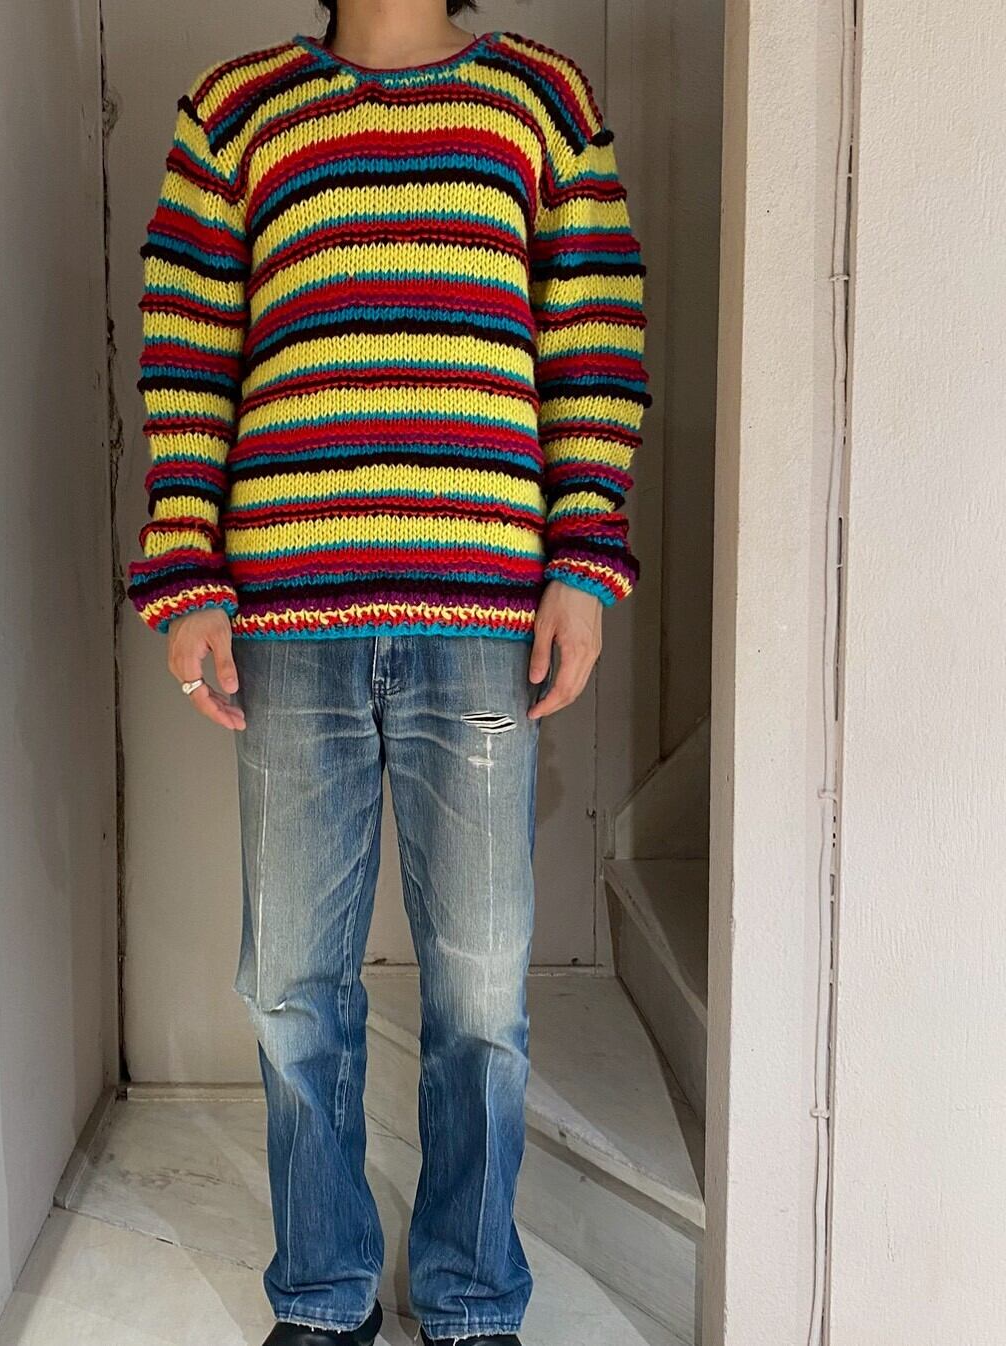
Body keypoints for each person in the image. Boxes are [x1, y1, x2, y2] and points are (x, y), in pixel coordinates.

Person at [126, 2, 649, 1341]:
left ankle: (470, 1292)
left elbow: (591, 341)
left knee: (481, 990)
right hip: (289, 617)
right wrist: (189, 570)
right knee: (293, 981)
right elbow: (190, 356)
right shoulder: (235, 111)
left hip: (480, 612)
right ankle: (324, 1288)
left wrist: (585, 561)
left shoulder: (541, 103)